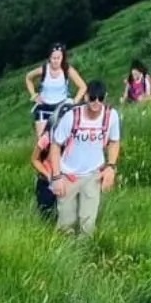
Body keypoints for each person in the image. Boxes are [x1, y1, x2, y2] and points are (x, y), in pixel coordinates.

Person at [46, 80, 121, 238]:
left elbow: (114, 142)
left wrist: (111, 167)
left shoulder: (111, 116)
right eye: (93, 98)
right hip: (68, 175)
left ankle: (85, 254)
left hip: (93, 175)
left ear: (105, 97)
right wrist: (57, 176)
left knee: (88, 223)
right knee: (66, 222)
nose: (96, 102)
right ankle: (64, 254)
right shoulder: (72, 117)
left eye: (100, 98)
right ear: (86, 96)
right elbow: (55, 145)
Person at [25, 44, 84, 133]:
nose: (55, 61)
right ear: (49, 58)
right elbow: (28, 77)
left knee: (62, 138)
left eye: (58, 58)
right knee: (42, 142)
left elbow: (82, 87)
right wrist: (33, 95)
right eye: (53, 58)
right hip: (44, 107)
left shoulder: (67, 70)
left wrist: (74, 102)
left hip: (61, 107)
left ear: (62, 58)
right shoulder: (44, 69)